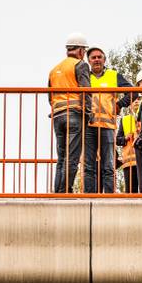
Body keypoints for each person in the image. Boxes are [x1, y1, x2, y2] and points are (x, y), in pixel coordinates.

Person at [83, 45, 131, 194]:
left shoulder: (113, 75)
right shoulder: (84, 77)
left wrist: (119, 105)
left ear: (104, 59)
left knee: (108, 166)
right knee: (88, 166)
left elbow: (133, 92)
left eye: (99, 57)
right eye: (93, 57)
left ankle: (109, 197)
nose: (97, 60)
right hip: (88, 126)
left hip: (107, 127)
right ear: (88, 60)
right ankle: (89, 197)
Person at [47, 32, 91, 193]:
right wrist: (88, 114)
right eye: (84, 52)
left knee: (62, 157)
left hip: (57, 115)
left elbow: (50, 96)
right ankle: (66, 190)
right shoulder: (80, 65)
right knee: (72, 157)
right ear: (80, 51)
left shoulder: (54, 70)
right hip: (74, 115)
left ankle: (57, 191)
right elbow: (86, 91)